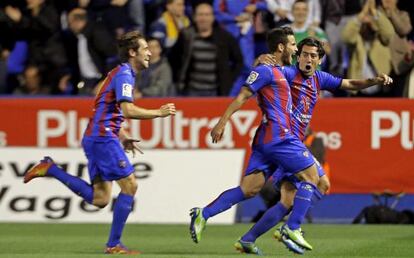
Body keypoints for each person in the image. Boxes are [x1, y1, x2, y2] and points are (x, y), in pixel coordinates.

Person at [23, 31, 176, 255]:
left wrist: (122, 135)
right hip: (103, 137)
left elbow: (106, 104)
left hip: (98, 136)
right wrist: (159, 113)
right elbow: (127, 109)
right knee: (130, 185)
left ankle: (51, 168)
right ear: (132, 52)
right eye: (145, 49)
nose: (149, 53)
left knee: (100, 198)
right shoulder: (125, 74)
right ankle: (114, 244)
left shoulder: (119, 73)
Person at [238, 37, 393, 254]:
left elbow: (350, 84)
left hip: (292, 143)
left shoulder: (320, 78)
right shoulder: (289, 74)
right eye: (304, 54)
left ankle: (249, 238)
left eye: (313, 55)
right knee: (318, 182)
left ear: (319, 60)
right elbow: (265, 72)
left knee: (293, 197)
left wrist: (374, 81)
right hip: (284, 143)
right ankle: (292, 227)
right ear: (298, 57)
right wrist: (259, 61)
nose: (308, 59)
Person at [190, 27, 322, 254]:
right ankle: (292, 228)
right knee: (312, 177)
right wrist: (223, 122)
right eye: (292, 44)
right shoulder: (266, 71)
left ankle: (204, 214)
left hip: (266, 137)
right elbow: (243, 95)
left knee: (249, 189)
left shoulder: (281, 70)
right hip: (278, 136)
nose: (295, 48)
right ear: (281, 47)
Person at [169, 2, 244, 96]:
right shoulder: (185, 36)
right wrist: (178, 80)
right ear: (195, 17)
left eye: (207, 15)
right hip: (190, 92)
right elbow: (173, 59)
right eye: (200, 15)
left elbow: (239, 61)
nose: (203, 18)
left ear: (212, 17)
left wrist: (228, 79)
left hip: (216, 92)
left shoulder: (224, 37)